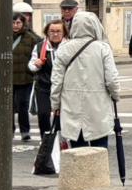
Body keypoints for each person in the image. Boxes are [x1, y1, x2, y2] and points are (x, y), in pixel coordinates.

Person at [51, 12, 120, 148]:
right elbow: (111, 79)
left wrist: (55, 105)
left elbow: (56, 81)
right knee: (99, 148)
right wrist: (115, 95)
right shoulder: (102, 48)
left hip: (71, 105)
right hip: (97, 105)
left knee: (77, 151)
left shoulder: (64, 49)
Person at [0, 5, 42, 143]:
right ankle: (8, 130)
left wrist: (34, 68)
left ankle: (25, 131)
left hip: (25, 78)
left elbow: (40, 51)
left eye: (18, 23)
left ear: (23, 23)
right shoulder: (0, 37)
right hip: (7, 78)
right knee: (7, 106)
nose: (16, 25)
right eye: (13, 22)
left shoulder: (31, 38)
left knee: (23, 105)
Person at [27, 19, 67, 175]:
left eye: (58, 31)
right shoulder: (40, 47)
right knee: (43, 115)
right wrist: (35, 64)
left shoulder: (68, 46)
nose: (55, 34)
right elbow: (30, 65)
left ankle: (61, 143)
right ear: (47, 32)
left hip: (63, 88)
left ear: (64, 33)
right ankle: (47, 143)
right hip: (44, 87)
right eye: (52, 31)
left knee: (61, 119)